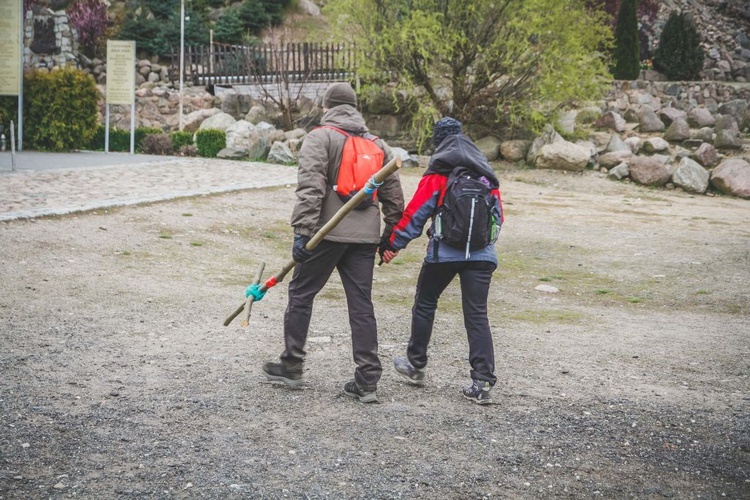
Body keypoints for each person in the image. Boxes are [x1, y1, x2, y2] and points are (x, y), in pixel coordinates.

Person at [262, 82, 404, 404]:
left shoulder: (320, 137)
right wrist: (389, 236)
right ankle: (368, 379)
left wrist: (302, 232)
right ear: (355, 107)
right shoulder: (378, 144)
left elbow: (310, 187)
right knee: (361, 304)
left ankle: (292, 363)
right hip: (365, 238)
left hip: (325, 234)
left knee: (301, 293)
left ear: (328, 107)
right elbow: (394, 196)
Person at [380, 117, 504, 405]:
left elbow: (414, 216)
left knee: (425, 303)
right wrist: (479, 246)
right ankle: (482, 381)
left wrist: (391, 246)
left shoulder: (438, 174)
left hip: (443, 255)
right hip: (483, 257)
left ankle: (416, 365)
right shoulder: (485, 174)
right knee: (477, 315)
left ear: (439, 142)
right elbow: (498, 217)